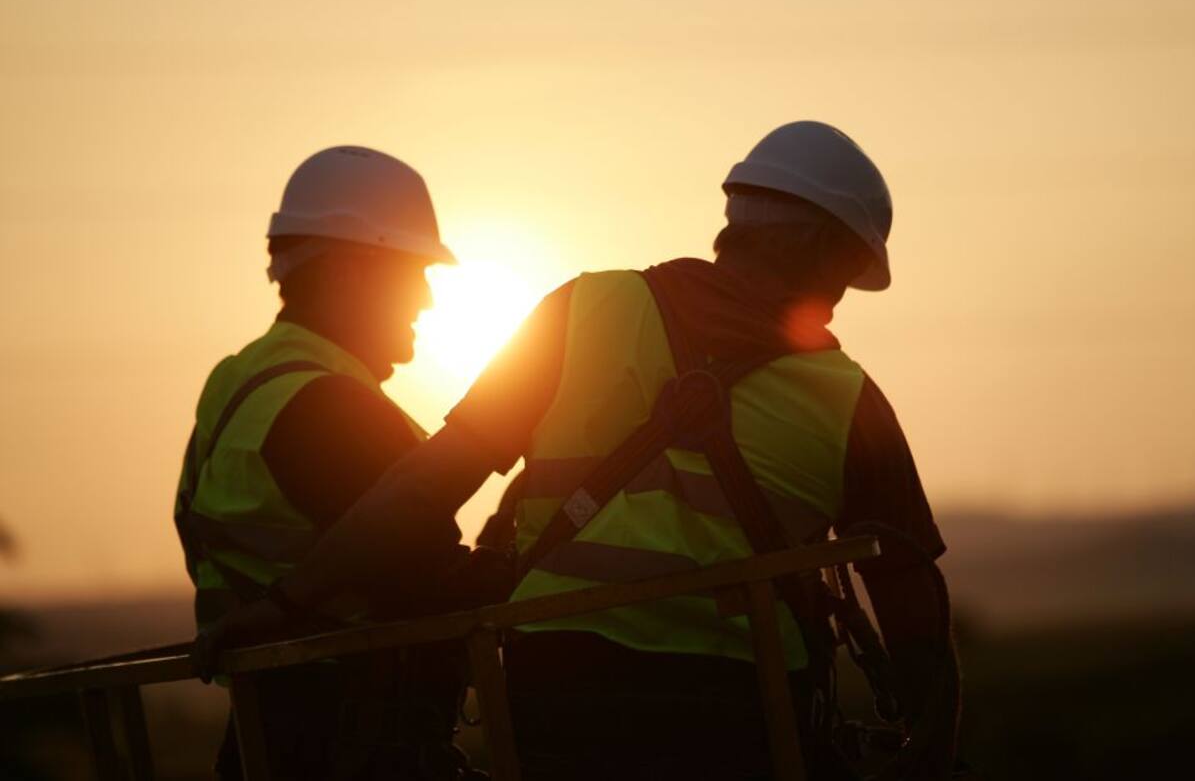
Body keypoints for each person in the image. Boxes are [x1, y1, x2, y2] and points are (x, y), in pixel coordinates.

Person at [199, 122, 960, 779]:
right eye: (846, 278)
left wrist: (284, 604)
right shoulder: (851, 400)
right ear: (826, 253)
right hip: (746, 715)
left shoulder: (581, 309)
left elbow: (426, 484)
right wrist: (934, 744)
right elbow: (910, 601)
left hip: (557, 704)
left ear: (734, 223)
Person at [174, 146, 471, 780]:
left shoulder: (239, 382)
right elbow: (436, 582)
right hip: (355, 742)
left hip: (266, 736)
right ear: (351, 272)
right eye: (414, 272)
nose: (425, 300)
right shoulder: (330, 406)